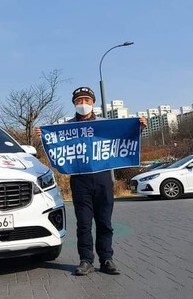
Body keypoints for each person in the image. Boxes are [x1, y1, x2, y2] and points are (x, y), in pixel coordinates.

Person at [35, 86, 147, 276]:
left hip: (103, 178)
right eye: (79, 101)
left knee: (104, 222)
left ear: (93, 102)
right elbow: (54, 145)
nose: (83, 104)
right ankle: (86, 260)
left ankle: (106, 259)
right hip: (80, 180)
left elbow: (123, 137)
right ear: (74, 104)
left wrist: (139, 128)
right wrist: (43, 136)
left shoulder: (105, 124)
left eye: (87, 100)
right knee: (84, 224)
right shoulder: (66, 128)